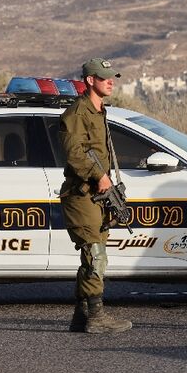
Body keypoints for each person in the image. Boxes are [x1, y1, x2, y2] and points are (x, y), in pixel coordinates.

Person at [59, 58, 132, 334]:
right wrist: (98, 175)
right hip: (81, 194)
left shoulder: (99, 111)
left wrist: (109, 182)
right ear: (90, 80)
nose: (110, 81)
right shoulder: (77, 113)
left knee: (93, 255)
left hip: (96, 195)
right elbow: (74, 154)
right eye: (104, 78)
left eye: (112, 77)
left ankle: (82, 315)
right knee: (95, 254)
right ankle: (96, 317)